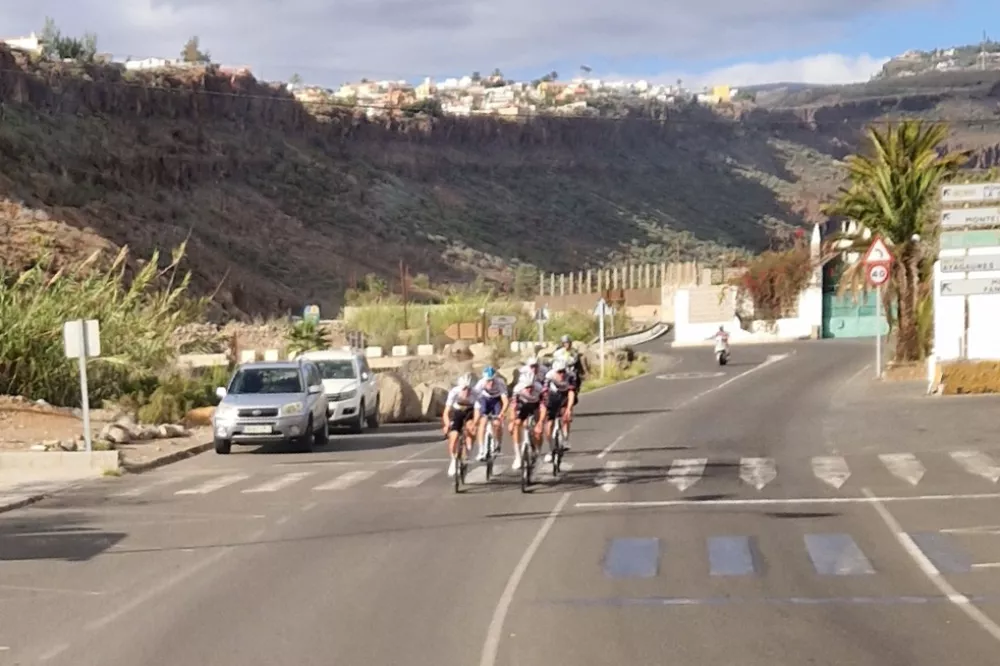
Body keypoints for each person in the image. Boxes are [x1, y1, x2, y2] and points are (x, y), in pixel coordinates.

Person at [507, 369, 547, 470]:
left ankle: (538, 453)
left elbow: (543, 407)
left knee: (538, 431)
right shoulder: (517, 389)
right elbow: (513, 407)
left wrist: (540, 422)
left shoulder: (539, 388)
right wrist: (512, 421)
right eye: (527, 387)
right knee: (516, 425)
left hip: (535, 406)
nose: (529, 389)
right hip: (523, 406)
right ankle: (518, 456)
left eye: (531, 387)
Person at [442, 373, 478, 477]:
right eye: (464, 389)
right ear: (460, 387)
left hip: (470, 412)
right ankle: (453, 460)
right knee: (454, 436)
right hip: (458, 412)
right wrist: (447, 424)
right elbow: (446, 412)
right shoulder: (454, 392)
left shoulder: (476, 393)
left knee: (471, 428)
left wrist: (475, 423)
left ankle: (468, 451)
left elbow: (477, 412)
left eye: (469, 389)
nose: (467, 391)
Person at [542, 358, 576, 460]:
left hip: (565, 395)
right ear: (554, 371)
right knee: (549, 424)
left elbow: (571, 393)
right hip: (553, 395)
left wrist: (569, 409)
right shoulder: (549, 376)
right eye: (559, 372)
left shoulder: (571, 375)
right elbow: (544, 392)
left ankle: (565, 439)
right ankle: (551, 449)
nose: (562, 374)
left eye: (563, 371)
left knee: (566, 416)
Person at [474, 366, 509, 461]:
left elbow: (505, 401)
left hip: (496, 400)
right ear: (484, 379)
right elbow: (476, 402)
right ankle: (481, 450)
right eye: (488, 381)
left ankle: (498, 445)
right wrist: (477, 417)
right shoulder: (480, 384)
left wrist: (502, 413)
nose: (491, 383)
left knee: (497, 423)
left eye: (493, 380)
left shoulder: (500, 383)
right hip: (484, 399)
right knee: (483, 422)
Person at [552, 334, 584, 407]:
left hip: (571, 372)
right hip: (561, 371)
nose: (567, 344)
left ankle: (574, 393)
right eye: (565, 343)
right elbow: (554, 362)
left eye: (568, 343)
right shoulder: (558, 352)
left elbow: (576, 362)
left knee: (577, 379)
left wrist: (581, 371)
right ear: (562, 344)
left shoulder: (574, 352)